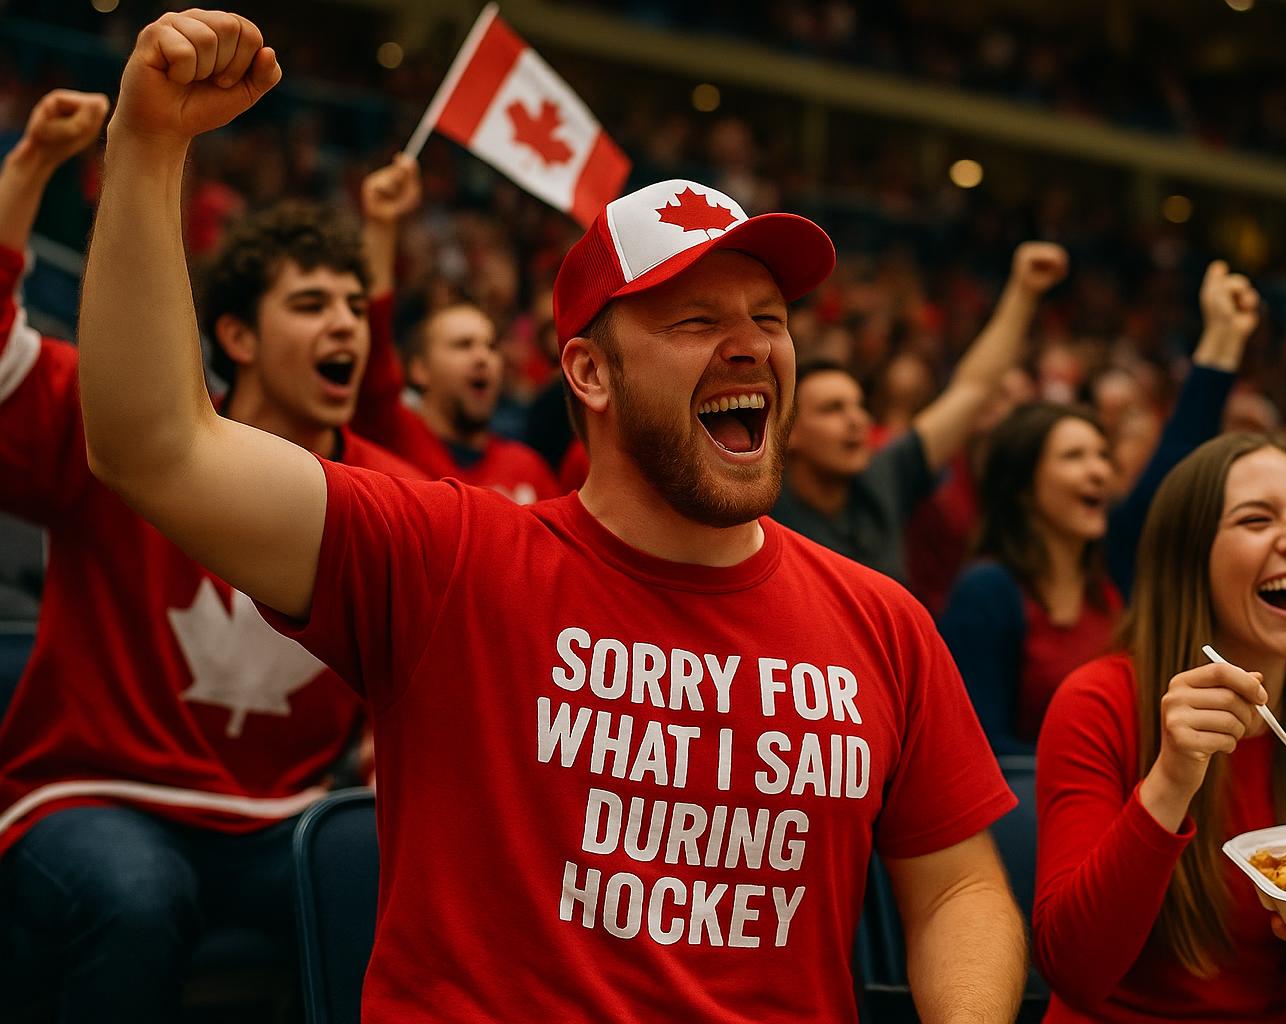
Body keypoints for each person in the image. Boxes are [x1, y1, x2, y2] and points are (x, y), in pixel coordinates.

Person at [78, 13, 1023, 1022]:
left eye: (772, 319)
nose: (751, 346)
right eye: (697, 320)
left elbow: (960, 888)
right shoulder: (448, 560)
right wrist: (149, 145)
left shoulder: (883, 623)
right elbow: (153, 444)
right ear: (588, 372)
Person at [0, 87, 420, 1022]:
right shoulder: (128, 419)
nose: (346, 324)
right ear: (235, 337)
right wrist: (28, 171)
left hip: (284, 817)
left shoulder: (391, 491)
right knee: (134, 898)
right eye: (311, 304)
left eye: (356, 305)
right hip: (97, 795)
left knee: (417, 880)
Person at [1031, 433, 1286, 1022]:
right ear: (1189, 556)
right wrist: (1171, 780)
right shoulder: (1097, 702)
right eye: (1257, 520)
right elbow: (1073, 969)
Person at [940, 262, 1259, 750]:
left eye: (1102, 456)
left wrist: (1223, 338)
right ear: (1023, 486)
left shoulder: (1113, 568)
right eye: (1074, 457)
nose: (1099, 472)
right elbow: (976, 751)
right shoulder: (988, 592)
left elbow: (1176, 461)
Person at [771, 241, 1068, 584]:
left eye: (860, 406)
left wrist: (1023, 290)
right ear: (787, 432)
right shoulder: (761, 513)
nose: (858, 421)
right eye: (832, 409)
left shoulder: (882, 477)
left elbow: (972, 389)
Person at [351, 154, 558, 502]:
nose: (483, 357)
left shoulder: (528, 468)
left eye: (490, 346)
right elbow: (369, 336)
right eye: (463, 345)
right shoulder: (390, 435)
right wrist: (382, 226)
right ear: (418, 370)